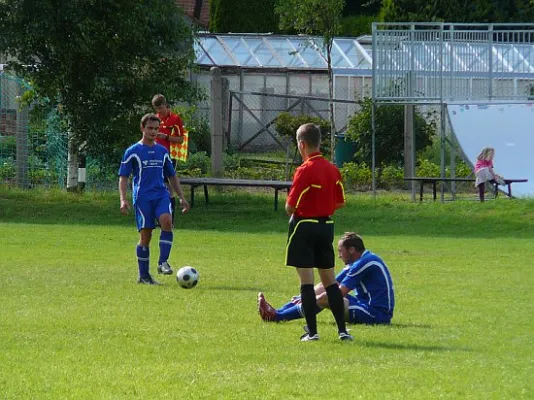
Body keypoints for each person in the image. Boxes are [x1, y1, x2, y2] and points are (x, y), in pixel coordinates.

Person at [278, 122, 351, 342]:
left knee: (307, 282)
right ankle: (342, 331)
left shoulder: (304, 170)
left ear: (301, 144)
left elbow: (290, 207)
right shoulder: (332, 169)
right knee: (330, 281)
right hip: (326, 227)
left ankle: (312, 332)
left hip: (304, 227)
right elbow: (340, 202)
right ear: (319, 143)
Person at [258, 232, 395, 327]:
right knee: (320, 293)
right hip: (363, 304)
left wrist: (313, 299)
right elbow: (330, 284)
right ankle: (277, 312)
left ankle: (278, 317)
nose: (339, 256)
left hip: (376, 314)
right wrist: (305, 296)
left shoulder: (365, 263)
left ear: (352, 250)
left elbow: (338, 293)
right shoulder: (360, 261)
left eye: (341, 251)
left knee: (325, 298)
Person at [118, 113, 190, 284]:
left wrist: (181, 197)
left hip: (161, 195)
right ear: (142, 128)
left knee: (167, 221)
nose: (153, 132)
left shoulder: (162, 151)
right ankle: (144, 276)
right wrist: (123, 199)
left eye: (156, 129)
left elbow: (172, 176)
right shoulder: (132, 152)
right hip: (142, 198)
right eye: (150, 128)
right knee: (146, 236)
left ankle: (163, 262)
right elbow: (123, 177)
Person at [151, 94, 185, 225]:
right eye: (156, 109)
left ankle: (170, 220)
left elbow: (181, 139)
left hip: (169, 156)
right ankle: (158, 218)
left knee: (169, 186)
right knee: (156, 186)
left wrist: (166, 137)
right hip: (155, 156)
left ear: (165, 105)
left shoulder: (175, 119)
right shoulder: (155, 119)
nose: (159, 111)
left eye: (160, 108)